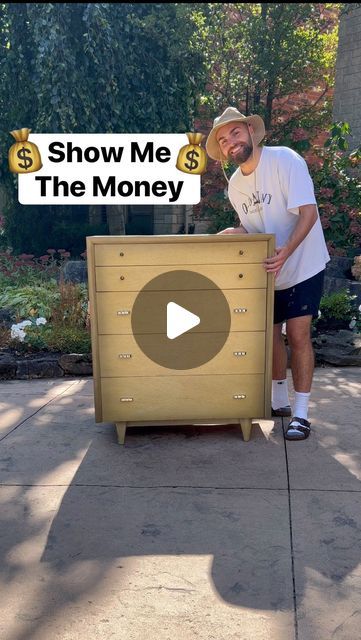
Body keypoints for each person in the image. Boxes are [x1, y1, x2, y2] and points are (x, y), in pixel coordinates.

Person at [205, 107, 330, 441]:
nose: (231, 142)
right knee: (271, 336)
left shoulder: (285, 161)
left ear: (249, 130)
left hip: (303, 262)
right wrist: (236, 233)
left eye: (235, 133)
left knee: (299, 334)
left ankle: (301, 415)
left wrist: (287, 251)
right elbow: (252, 225)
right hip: (269, 269)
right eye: (223, 139)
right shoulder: (235, 187)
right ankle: (278, 403)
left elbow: (308, 213)